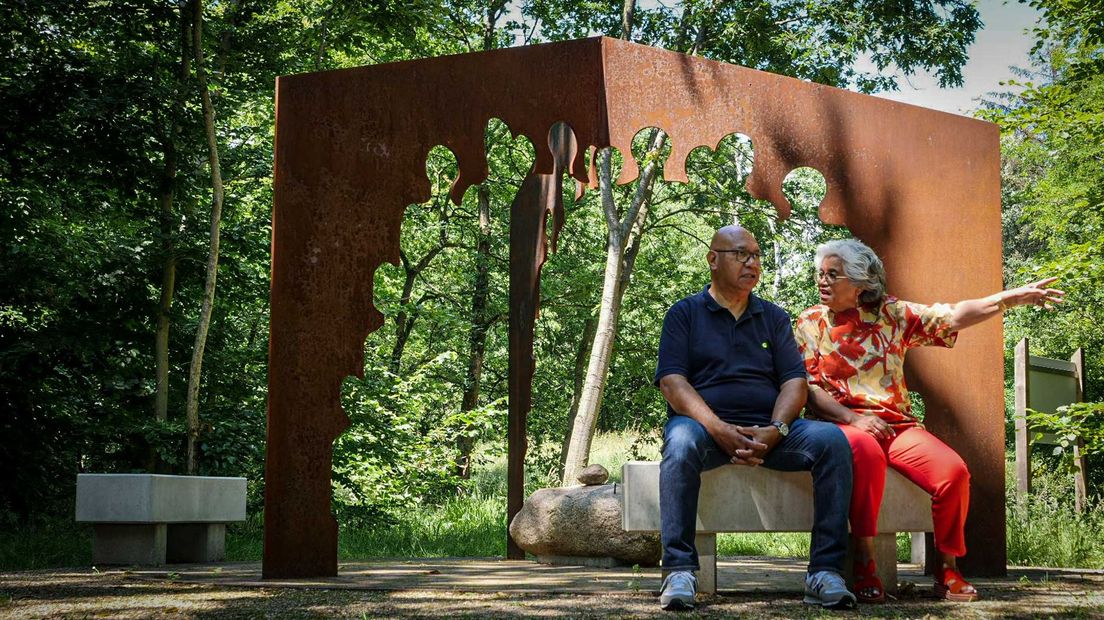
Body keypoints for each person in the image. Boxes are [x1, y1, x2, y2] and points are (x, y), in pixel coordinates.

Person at [794, 238, 1064, 603]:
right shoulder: (809, 323)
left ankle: (948, 568)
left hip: (896, 425)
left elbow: (951, 316)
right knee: (866, 453)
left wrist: (1007, 300)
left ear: (859, 283)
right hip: (843, 425)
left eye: (833, 275)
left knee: (953, 472)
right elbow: (807, 388)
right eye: (820, 274)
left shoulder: (892, 315)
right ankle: (864, 563)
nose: (822, 282)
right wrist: (853, 418)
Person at [653, 225, 857, 611]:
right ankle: (679, 571)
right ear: (713, 259)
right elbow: (673, 383)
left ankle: (825, 571)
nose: (752, 262)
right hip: (704, 429)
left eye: (757, 255)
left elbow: (795, 383)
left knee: (832, 442)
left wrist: (777, 430)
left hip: (771, 430)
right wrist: (720, 429)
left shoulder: (773, 317)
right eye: (741, 254)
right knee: (679, 443)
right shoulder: (684, 314)